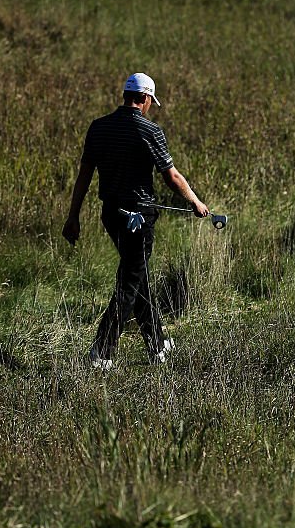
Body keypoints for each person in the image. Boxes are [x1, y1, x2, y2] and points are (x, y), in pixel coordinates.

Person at [62, 72, 209, 370]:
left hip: (111, 215)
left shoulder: (99, 128)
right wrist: (195, 201)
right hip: (140, 218)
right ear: (143, 99)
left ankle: (158, 344)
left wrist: (73, 216)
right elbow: (172, 176)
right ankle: (102, 352)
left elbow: (84, 176)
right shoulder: (149, 130)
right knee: (130, 281)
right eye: (151, 102)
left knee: (137, 274)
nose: (150, 107)